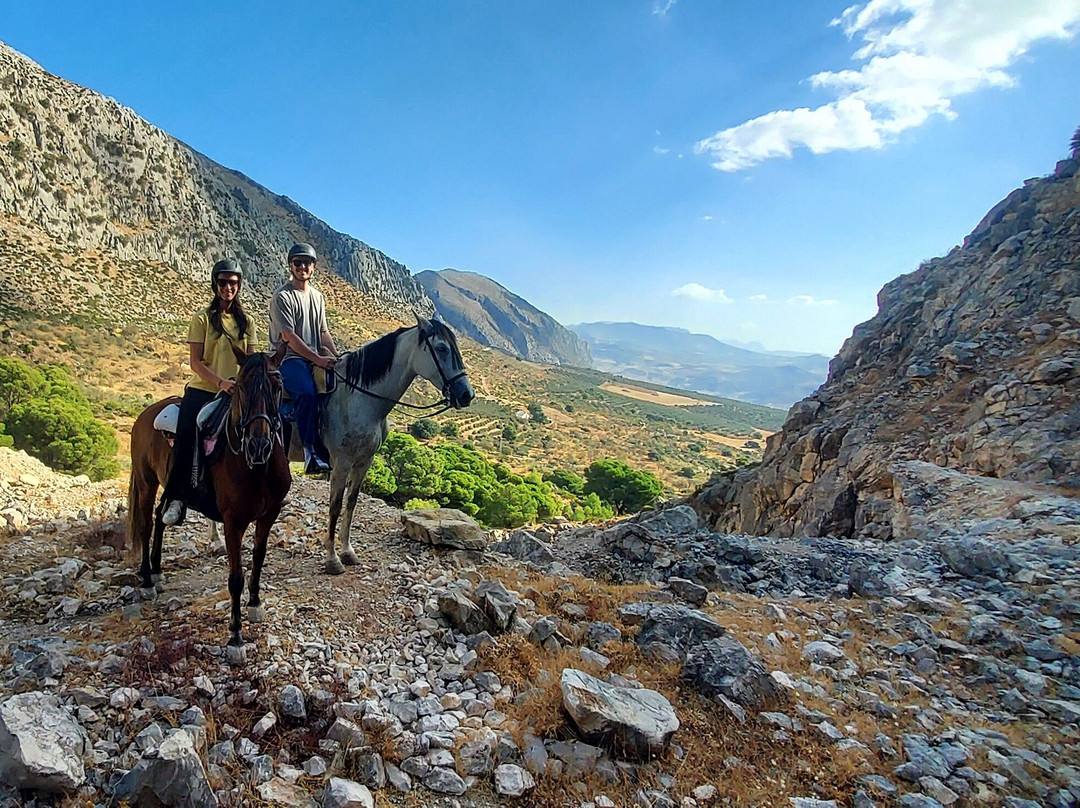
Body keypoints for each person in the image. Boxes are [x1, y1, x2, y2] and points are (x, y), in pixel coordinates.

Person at [161, 259, 257, 525]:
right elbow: (195, 362)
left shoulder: (247, 321)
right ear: (215, 284)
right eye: (223, 282)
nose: (229, 287)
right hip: (203, 389)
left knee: (263, 426)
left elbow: (250, 359)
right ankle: (177, 498)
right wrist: (220, 383)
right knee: (187, 435)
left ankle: (264, 488)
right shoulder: (201, 319)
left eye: (234, 283)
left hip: (236, 391)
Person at [269, 242, 340, 474]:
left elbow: (323, 332)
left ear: (313, 267)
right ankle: (310, 451)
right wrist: (318, 359)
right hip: (290, 358)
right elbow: (289, 337)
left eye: (306, 263)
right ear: (290, 266)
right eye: (297, 263)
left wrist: (337, 357)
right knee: (307, 393)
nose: (302, 267)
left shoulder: (318, 297)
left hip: (313, 356)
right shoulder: (282, 296)